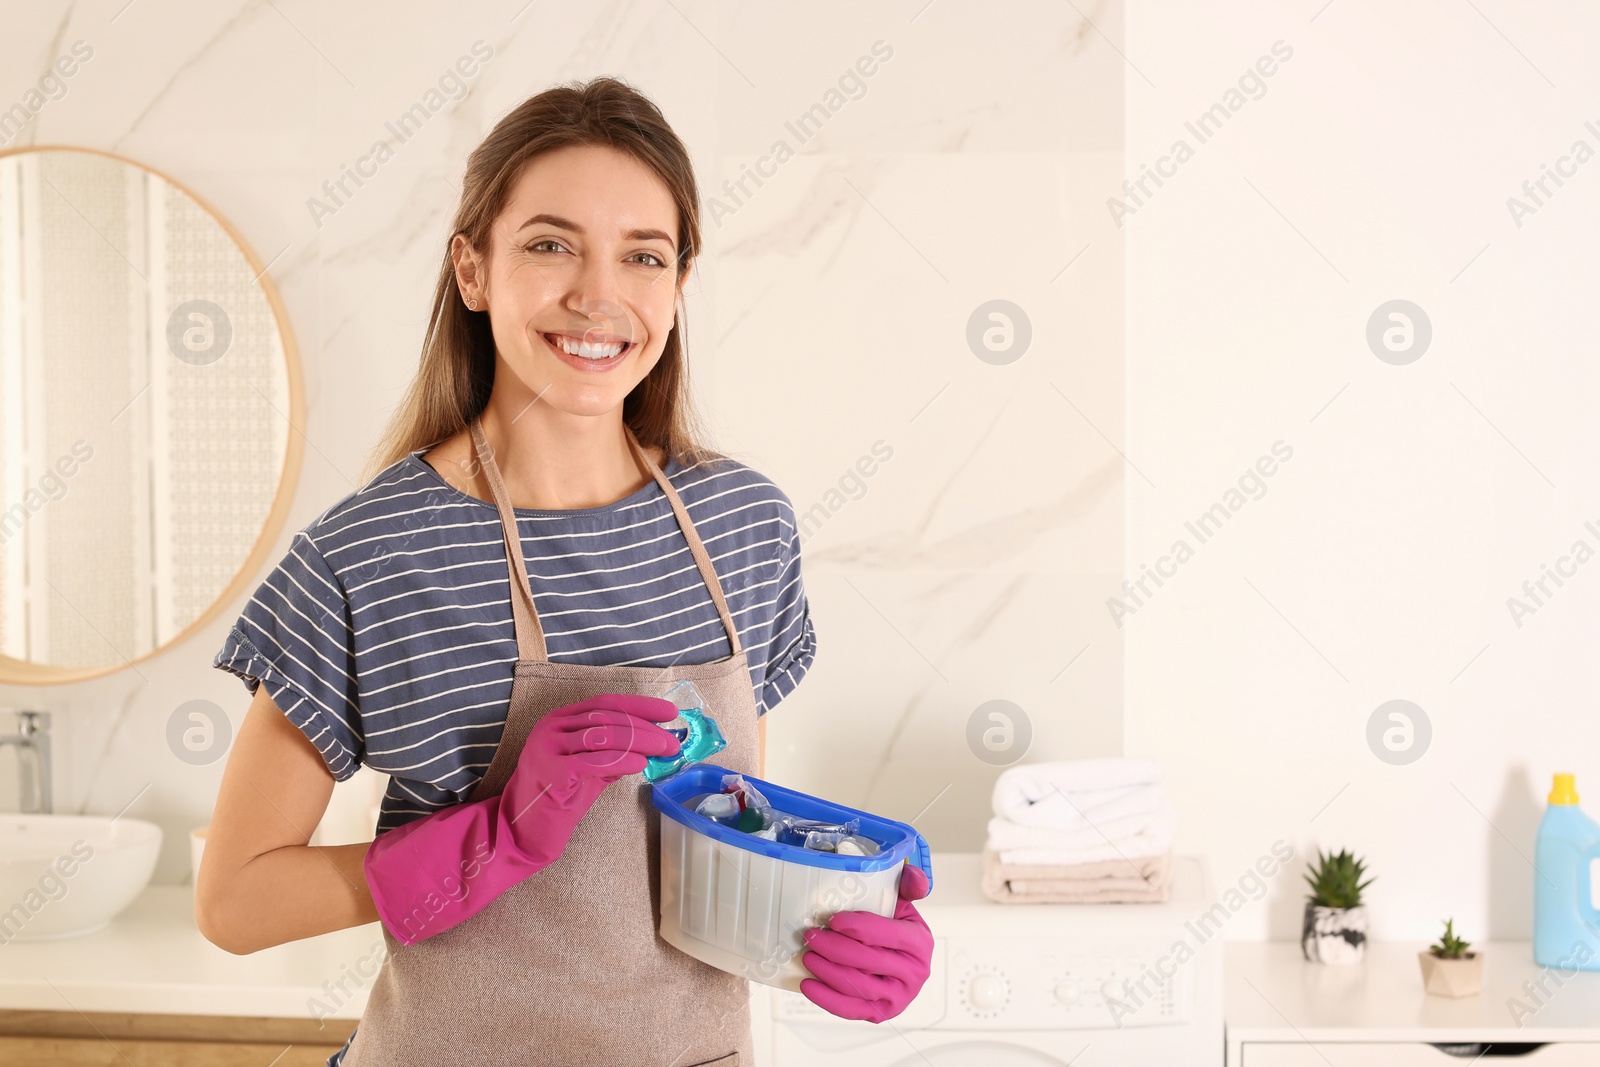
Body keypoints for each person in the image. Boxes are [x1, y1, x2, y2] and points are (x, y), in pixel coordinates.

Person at [195, 76, 932, 1066]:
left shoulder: (742, 526)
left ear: (676, 286)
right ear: (472, 269)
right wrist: (485, 840)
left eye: (644, 256)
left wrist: (839, 918)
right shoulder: (369, 554)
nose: (598, 295)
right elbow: (236, 899)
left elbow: (731, 832)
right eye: (550, 245)